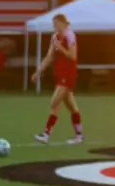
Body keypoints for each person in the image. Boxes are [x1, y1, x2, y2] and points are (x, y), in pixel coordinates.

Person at [32, 13, 83, 144]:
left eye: (56, 24)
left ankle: (46, 134)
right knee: (71, 106)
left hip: (68, 74)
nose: (54, 27)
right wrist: (38, 72)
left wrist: (61, 48)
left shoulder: (70, 35)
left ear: (62, 23)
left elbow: (73, 56)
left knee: (54, 102)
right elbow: (49, 56)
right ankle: (79, 135)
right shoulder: (55, 37)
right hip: (60, 74)